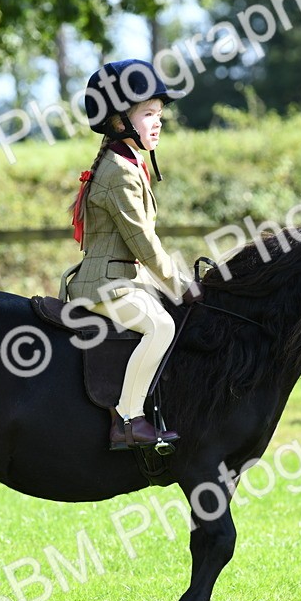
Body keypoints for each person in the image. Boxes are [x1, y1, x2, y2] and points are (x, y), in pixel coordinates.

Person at [65, 59, 199, 450]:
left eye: (160, 115)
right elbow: (143, 242)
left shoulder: (127, 163)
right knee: (161, 327)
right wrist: (180, 285)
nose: (158, 122)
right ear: (119, 121)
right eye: (149, 114)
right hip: (106, 285)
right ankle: (128, 420)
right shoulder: (118, 172)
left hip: (124, 280)